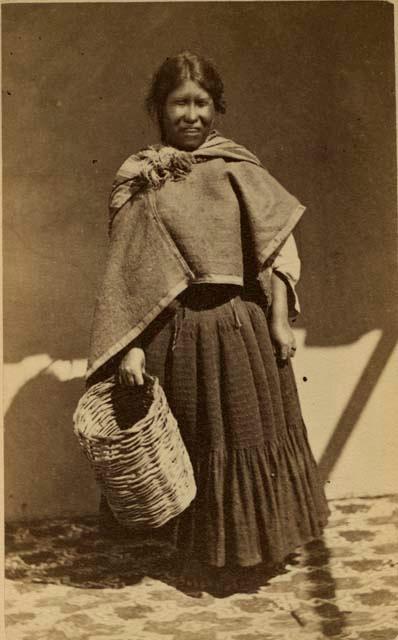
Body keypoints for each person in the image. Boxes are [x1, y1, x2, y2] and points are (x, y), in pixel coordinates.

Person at [87, 51, 329, 594]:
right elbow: (131, 276)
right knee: (196, 444)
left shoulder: (238, 169)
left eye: (201, 103)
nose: (191, 115)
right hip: (178, 334)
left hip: (239, 326)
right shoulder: (141, 179)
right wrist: (133, 348)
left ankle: (254, 551)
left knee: (249, 433)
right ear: (158, 109)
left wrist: (279, 321)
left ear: (216, 108)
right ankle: (204, 556)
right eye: (179, 104)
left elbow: (273, 253)